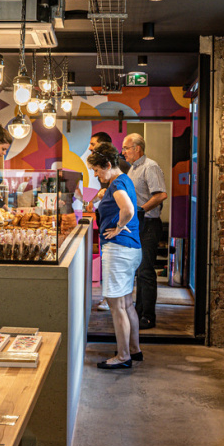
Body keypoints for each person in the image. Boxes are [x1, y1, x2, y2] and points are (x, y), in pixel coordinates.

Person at [87, 142, 142, 369]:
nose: (97, 175)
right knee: (127, 303)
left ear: (108, 165)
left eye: (98, 171)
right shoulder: (122, 180)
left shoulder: (117, 183)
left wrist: (118, 227)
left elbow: (128, 209)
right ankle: (134, 350)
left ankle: (123, 356)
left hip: (118, 249)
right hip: (130, 249)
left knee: (117, 305)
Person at [122, 133, 167, 330]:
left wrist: (140, 210)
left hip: (148, 224)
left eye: (126, 148)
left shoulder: (150, 166)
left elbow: (161, 195)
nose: (123, 152)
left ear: (137, 148)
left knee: (146, 271)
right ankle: (138, 313)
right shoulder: (133, 169)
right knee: (139, 271)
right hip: (137, 224)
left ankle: (148, 317)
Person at [86, 132, 131, 312]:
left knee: (121, 306)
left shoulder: (118, 175)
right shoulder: (110, 173)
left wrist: (119, 226)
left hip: (118, 232)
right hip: (111, 227)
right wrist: (95, 201)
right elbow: (105, 193)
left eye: (93, 144)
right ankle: (112, 299)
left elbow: (126, 207)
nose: (90, 147)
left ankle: (112, 300)